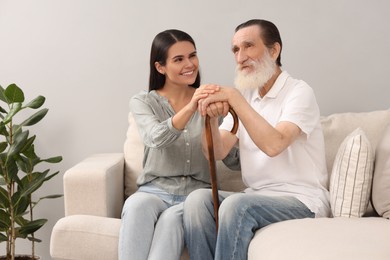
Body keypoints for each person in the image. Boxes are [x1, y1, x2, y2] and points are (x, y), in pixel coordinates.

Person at [183, 19, 331, 260]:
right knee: (197, 201)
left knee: (235, 205)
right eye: (236, 50)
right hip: (256, 197)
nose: (240, 57)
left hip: (302, 201)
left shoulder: (298, 92)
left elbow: (275, 144)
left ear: (274, 50)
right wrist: (210, 117)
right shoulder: (246, 96)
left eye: (249, 46)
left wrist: (233, 97)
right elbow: (216, 153)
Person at [118, 29, 218, 260]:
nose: (190, 64)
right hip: (155, 191)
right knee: (135, 206)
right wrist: (192, 106)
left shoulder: (211, 99)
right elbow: (155, 138)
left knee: (171, 220)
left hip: (195, 197)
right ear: (160, 67)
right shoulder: (143, 101)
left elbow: (231, 157)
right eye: (179, 59)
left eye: (192, 56)